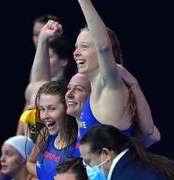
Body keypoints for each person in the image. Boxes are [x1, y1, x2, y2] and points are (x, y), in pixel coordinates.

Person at [72, 0, 160, 148]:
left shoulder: (108, 85)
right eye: (76, 47)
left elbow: (103, 46)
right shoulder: (95, 92)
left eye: (84, 47)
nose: (76, 53)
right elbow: (153, 135)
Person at [16, 14, 77, 138]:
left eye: (42, 34)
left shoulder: (70, 89)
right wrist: (17, 146)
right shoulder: (35, 81)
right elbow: (24, 116)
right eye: (36, 34)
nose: (39, 39)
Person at [80, 124, 174, 180]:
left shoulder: (127, 176)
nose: (88, 169)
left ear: (106, 153)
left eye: (88, 162)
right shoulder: (138, 162)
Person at [26, 80, 78, 179]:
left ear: (68, 108)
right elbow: (30, 162)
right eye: (42, 109)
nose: (44, 116)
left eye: (52, 108)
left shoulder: (79, 144)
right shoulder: (45, 134)